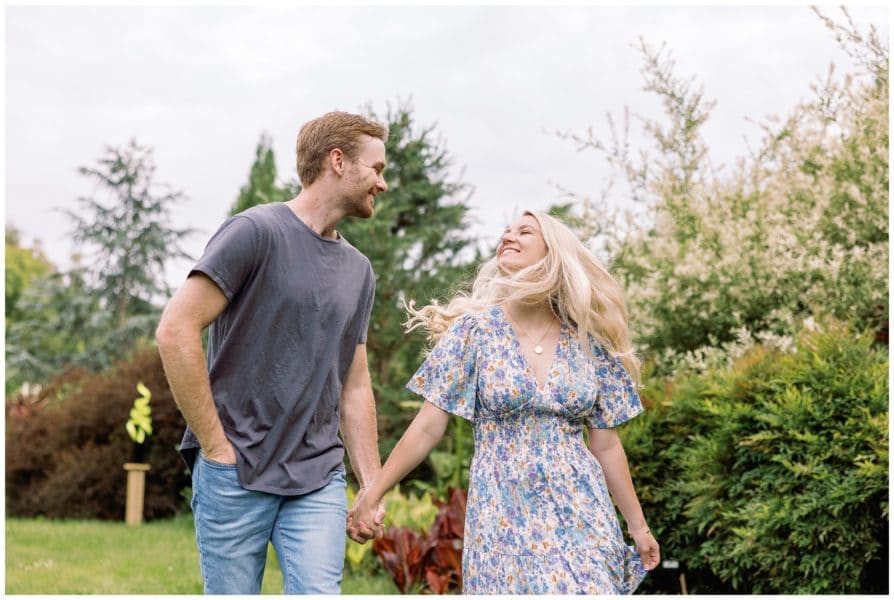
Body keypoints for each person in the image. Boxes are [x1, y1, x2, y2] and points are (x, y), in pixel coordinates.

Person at [349, 210, 660, 594]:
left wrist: (638, 527)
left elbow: (607, 445)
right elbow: (428, 427)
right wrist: (374, 492)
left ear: (553, 254)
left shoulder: (587, 342)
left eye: (525, 231)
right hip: (503, 517)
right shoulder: (475, 333)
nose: (509, 236)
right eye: (505, 231)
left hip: (581, 511)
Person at [156, 111, 389, 594]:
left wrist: (370, 484)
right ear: (338, 161)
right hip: (234, 469)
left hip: (318, 474)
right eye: (378, 168)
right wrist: (216, 447)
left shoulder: (359, 271)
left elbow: (354, 382)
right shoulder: (254, 232)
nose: (383, 184)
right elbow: (176, 330)